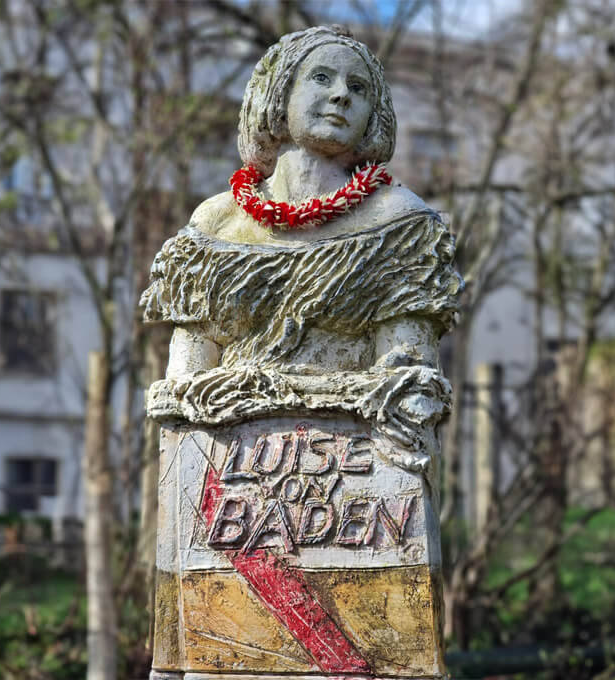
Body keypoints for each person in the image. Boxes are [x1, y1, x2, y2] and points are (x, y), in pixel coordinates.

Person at [142, 25, 464, 471]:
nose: (341, 95)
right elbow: (184, 388)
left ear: (374, 113)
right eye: (321, 78)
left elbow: (406, 385)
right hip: (225, 470)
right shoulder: (216, 224)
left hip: (361, 475)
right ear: (280, 93)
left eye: (358, 87)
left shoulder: (401, 225)